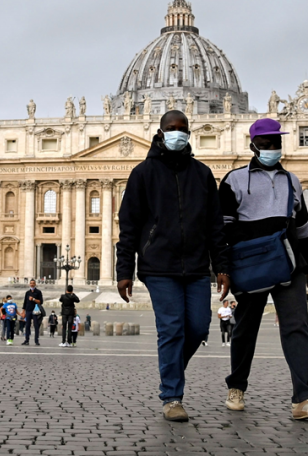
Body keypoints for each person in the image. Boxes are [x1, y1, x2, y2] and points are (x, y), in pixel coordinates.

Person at [115, 110, 230, 422]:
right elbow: (128, 227)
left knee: (198, 327)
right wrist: (124, 271)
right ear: (160, 132)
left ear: (189, 133)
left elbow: (215, 226)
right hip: (158, 265)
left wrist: (222, 266)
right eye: (171, 128)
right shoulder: (143, 173)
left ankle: (172, 368)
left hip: (196, 265)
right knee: (171, 328)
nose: (177, 133)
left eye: (182, 129)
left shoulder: (202, 174)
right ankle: (172, 396)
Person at [219, 118, 308, 420]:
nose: (273, 147)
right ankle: (237, 387)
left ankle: (303, 398)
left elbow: (302, 228)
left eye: (277, 142)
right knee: (246, 328)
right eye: (266, 143)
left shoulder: (292, 180)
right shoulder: (233, 180)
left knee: (297, 327)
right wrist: (224, 268)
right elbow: (223, 229)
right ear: (253, 146)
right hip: (251, 264)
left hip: (288, 262)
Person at [22, 279, 43, 346]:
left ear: (35, 284)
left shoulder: (38, 292)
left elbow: (41, 302)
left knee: (36, 326)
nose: (32, 284)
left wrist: (33, 299)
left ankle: (36, 340)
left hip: (35, 311)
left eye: (33, 283)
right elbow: (25, 302)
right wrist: (23, 312)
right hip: (28, 310)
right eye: (31, 283)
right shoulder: (27, 293)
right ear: (29, 284)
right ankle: (26, 340)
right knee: (27, 326)